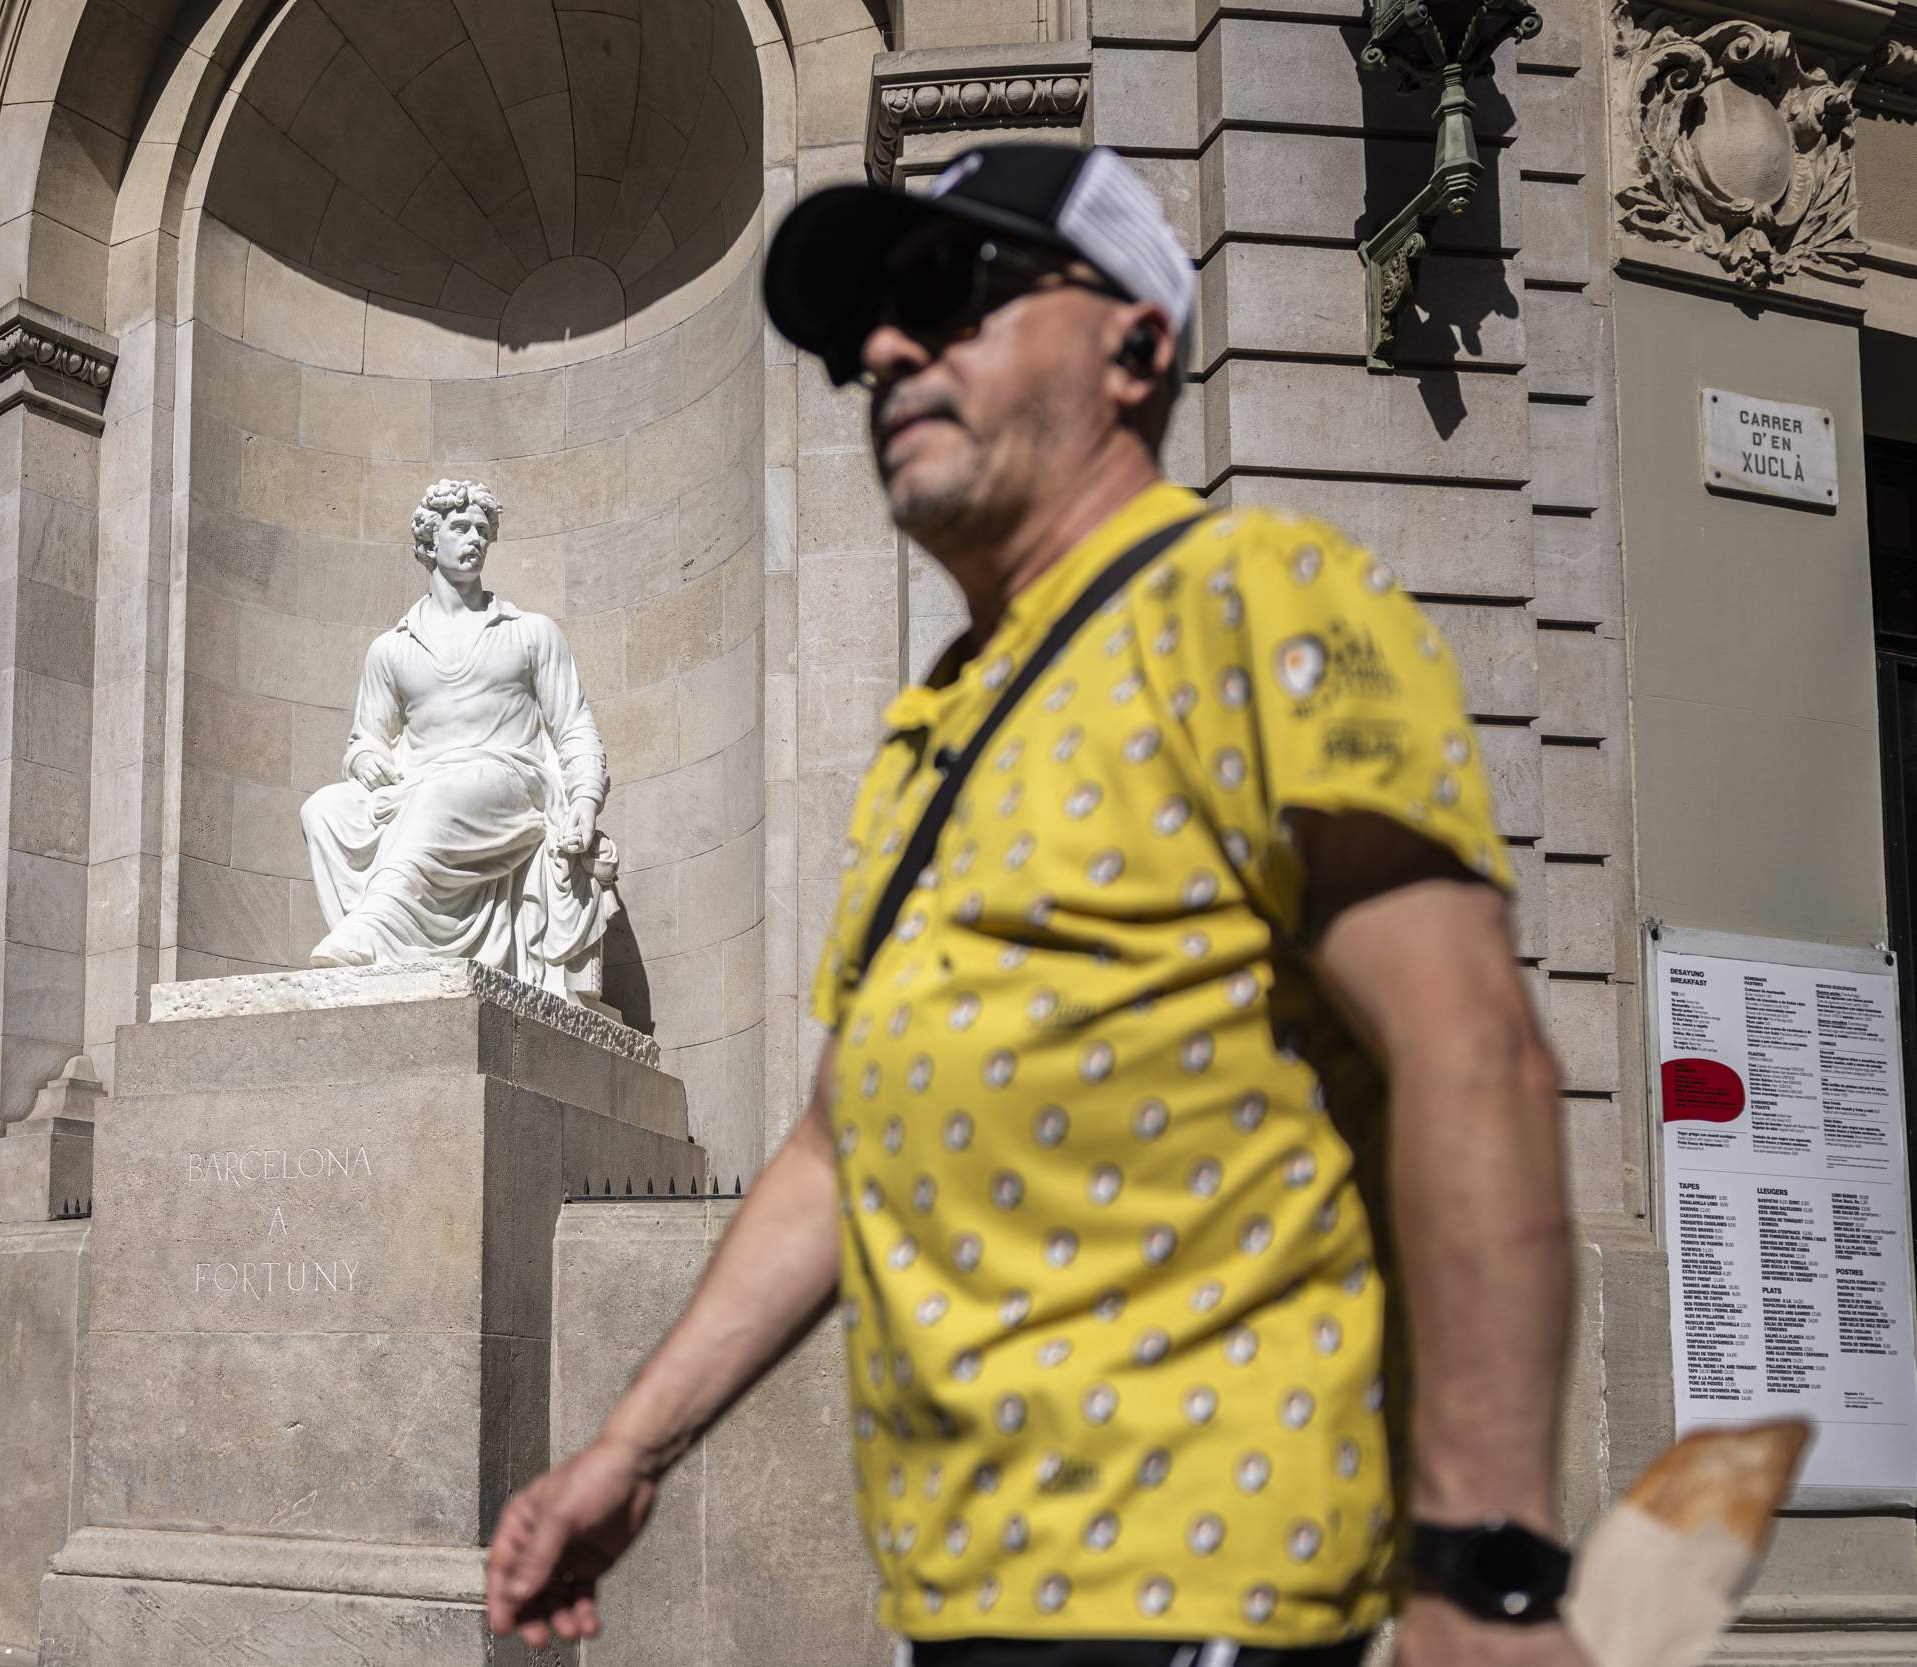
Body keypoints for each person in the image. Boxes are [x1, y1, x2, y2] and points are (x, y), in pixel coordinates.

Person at [487, 143, 1578, 1667]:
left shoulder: (1254, 595)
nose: (882, 349)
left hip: (1204, 1601)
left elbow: (1475, 1057)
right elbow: (833, 1148)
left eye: (946, 292)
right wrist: (628, 1452)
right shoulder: (932, 730)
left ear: (1135, 342)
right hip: (965, 1611)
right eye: (869, 324)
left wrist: (1490, 1573)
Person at [300, 477, 619, 996]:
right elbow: (365, 741)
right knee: (323, 810)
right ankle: (387, 959)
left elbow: (574, 724)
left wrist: (584, 798)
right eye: (460, 526)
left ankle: (374, 931)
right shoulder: (391, 649)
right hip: (422, 787)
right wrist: (364, 762)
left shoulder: (530, 632)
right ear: (430, 540)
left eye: (482, 530)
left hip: (512, 783)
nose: (474, 538)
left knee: (442, 793)